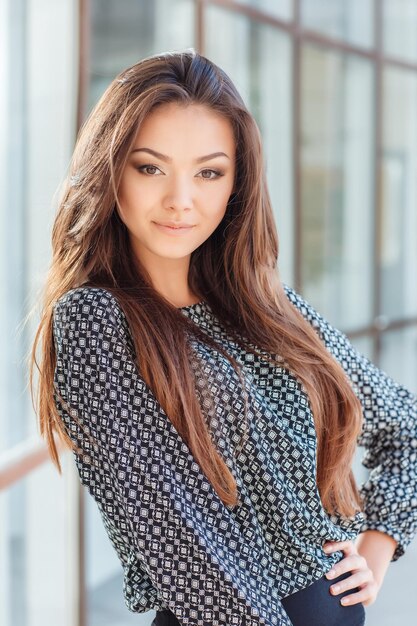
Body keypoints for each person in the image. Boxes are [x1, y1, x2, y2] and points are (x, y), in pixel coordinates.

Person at [29, 49, 417, 626]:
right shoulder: (95, 322)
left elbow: (404, 425)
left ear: (237, 184)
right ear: (110, 170)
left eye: (209, 172)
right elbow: (189, 553)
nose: (181, 200)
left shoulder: (265, 306)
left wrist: (376, 549)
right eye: (150, 167)